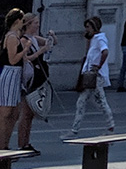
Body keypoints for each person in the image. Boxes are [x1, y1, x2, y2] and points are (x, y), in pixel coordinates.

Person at [64, 16, 114, 139]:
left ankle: (110, 126)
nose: (86, 30)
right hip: (90, 76)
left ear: (93, 27)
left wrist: (98, 66)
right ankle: (75, 129)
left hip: (96, 76)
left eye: (88, 27)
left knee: (100, 101)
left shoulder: (99, 38)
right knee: (83, 102)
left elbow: (105, 51)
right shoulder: (94, 39)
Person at [17, 14, 56, 154]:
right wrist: (41, 51)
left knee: (31, 113)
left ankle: (26, 142)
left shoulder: (34, 38)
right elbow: (25, 58)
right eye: (35, 23)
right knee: (26, 113)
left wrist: (52, 37)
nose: (38, 25)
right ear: (28, 24)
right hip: (28, 79)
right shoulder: (23, 40)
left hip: (35, 79)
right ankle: (22, 143)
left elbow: (51, 43)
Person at [0, 9, 29, 149]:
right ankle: (2, 145)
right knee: (6, 112)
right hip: (10, 73)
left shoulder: (16, 36)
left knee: (14, 112)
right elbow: (12, 60)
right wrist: (25, 49)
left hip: (16, 74)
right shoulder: (11, 37)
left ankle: (5, 143)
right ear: (17, 21)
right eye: (22, 20)